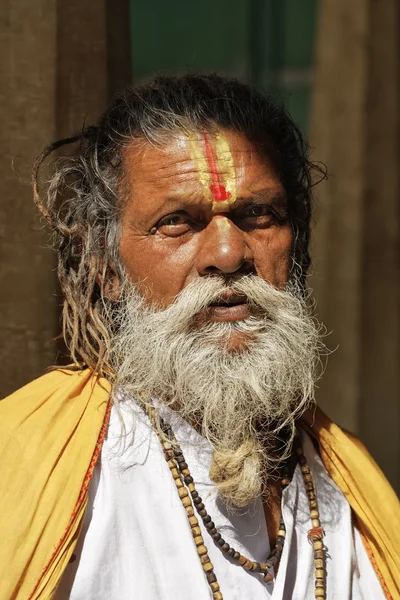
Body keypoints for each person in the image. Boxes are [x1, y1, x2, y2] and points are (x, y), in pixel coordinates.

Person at [0, 74, 398, 600]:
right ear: (107, 268)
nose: (229, 255)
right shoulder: (30, 463)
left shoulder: (350, 484)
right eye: (177, 222)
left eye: (258, 215)